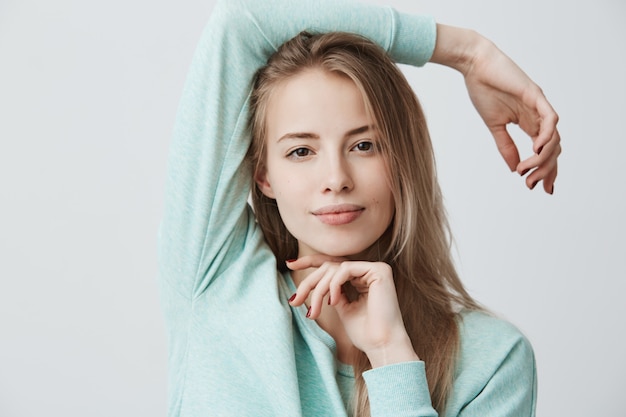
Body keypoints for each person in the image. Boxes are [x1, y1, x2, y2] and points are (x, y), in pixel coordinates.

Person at [158, 0, 561, 416]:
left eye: (364, 145)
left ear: (402, 157)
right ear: (264, 176)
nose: (336, 177)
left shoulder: (492, 363)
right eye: (300, 151)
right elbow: (240, 24)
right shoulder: (213, 282)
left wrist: (390, 353)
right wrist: (466, 52)